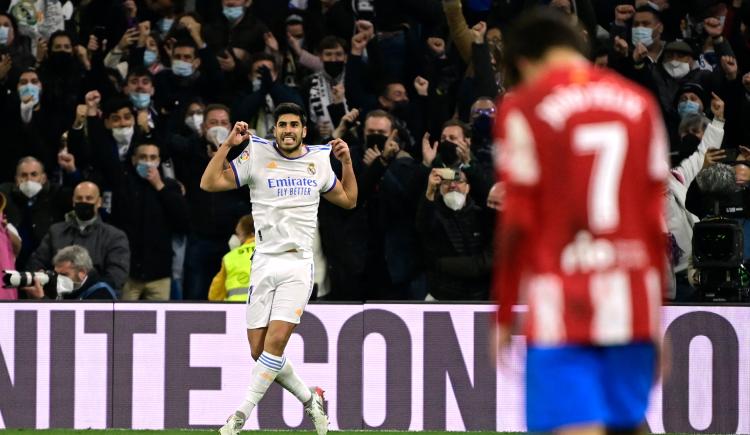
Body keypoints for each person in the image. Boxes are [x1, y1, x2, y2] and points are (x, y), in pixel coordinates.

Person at [494, 9, 666, 435]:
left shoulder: (524, 106)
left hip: (564, 299)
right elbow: (652, 223)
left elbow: (516, 223)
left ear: (522, 62)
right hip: (633, 300)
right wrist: (657, 318)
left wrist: (502, 316)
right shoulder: (641, 104)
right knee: (626, 423)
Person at [200, 102, 357, 435]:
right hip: (264, 261)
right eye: (282, 124)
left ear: (304, 130)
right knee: (259, 351)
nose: (288, 130)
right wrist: (228, 144)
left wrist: (346, 163)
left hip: (298, 263)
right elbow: (209, 182)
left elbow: (348, 200)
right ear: (275, 130)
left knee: (275, 343)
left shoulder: (318, 159)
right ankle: (310, 399)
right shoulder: (255, 154)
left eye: (294, 125)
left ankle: (238, 417)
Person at [26, 181, 130, 293]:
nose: (84, 202)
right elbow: (36, 262)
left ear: (99, 202)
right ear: (73, 201)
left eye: (89, 198)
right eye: (79, 198)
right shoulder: (55, 231)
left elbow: (117, 276)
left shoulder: (115, 236)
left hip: (96, 300)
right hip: (57, 297)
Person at [24, 245, 117, 300]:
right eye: (56, 274)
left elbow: (74, 327)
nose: (58, 279)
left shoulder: (101, 293)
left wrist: (42, 300)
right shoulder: (63, 290)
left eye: (64, 275)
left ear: (82, 273)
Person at [208, 214, 255, 301]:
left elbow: (214, 295)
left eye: (238, 234)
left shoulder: (230, 257)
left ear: (251, 234)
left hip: (235, 311)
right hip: (267, 310)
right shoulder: (274, 252)